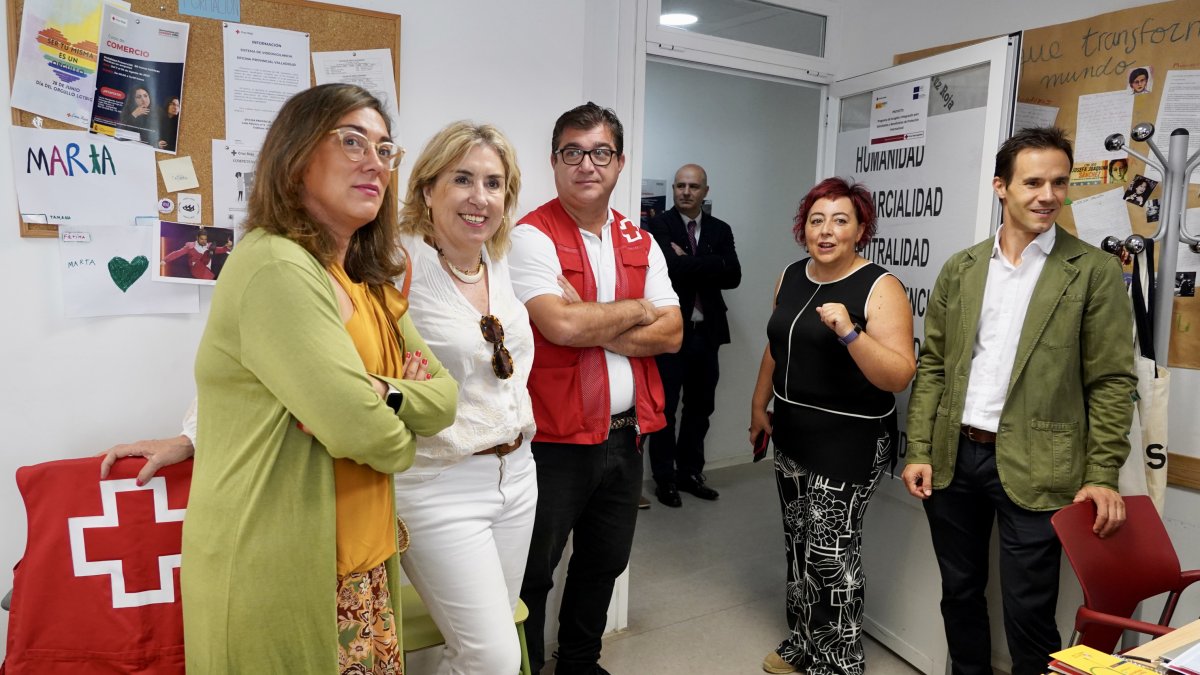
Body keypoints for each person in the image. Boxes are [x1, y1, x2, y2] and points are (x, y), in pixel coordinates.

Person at [180, 83, 458, 673]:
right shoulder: (277, 265)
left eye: (385, 150)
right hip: (282, 559)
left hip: (362, 560)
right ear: (297, 155)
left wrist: (381, 393)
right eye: (351, 140)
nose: (374, 163)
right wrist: (383, 421)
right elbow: (370, 436)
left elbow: (444, 400)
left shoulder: (364, 277)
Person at [902, 127, 1136, 675]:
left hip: (1043, 465)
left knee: (1029, 612)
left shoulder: (1093, 271)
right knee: (960, 593)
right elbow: (933, 364)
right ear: (1000, 187)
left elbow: (1111, 381)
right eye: (1032, 182)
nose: (1047, 195)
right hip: (956, 458)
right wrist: (919, 448)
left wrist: (1102, 472)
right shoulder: (962, 268)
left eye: (1059, 182)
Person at [509, 102, 682, 675]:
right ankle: (528, 668)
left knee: (604, 561)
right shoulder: (530, 237)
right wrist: (635, 312)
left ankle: (579, 663)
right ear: (554, 161)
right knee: (535, 571)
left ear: (619, 163)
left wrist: (590, 314)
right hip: (554, 441)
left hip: (627, 437)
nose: (587, 164)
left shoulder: (642, 241)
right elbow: (559, 326)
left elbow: (675, 332)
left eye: (600, 152)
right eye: (573, 152)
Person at [748, 177, 915, 675]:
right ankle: (803, 642)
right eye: (817, 220)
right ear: (804, 229)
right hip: (794, 429)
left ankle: (839, 661)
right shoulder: (791, 275)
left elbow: (899, 373)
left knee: (830, 551)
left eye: (840, 220)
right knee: (798, 541)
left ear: (861, 229)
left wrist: (848, 331)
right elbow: (776, 346)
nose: (827, 231)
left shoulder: (880, 286)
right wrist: (759, 406)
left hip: (851, 438)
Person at [392, 121, 537, 673]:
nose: (480, 197)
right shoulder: (393, 265)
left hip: (518, 477)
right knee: (492, 657)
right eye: (463, 179)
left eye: (495, 184)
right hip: (438, 485)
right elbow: (300, 353)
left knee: (484, 643)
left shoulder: (497, 264)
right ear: (427, 189)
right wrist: (196, 435)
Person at [645, 163, 741, 507]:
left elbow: (733, 275)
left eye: (693, 187)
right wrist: (710, 263)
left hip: (707, 334)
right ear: (673, 189)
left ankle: (690, 473)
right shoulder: (658, 225)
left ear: (705, 190)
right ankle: (665, 479)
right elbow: (670, 269)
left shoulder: (720, 229)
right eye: (680, 186)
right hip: (671, 334)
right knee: (665, 411)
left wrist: (692, 262)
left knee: (701, 409)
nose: (686, 192)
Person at [163, 229, 231, 280]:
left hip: (207, 270)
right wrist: (165, 260)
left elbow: (221, 250)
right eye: (201, 239)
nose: (204, 241)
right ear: (197, 238)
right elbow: (177, 253)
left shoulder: (209, 246)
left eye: (205, 239)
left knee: (211, 250)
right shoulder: (190, 247)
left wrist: (227, 247)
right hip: (196, 269)